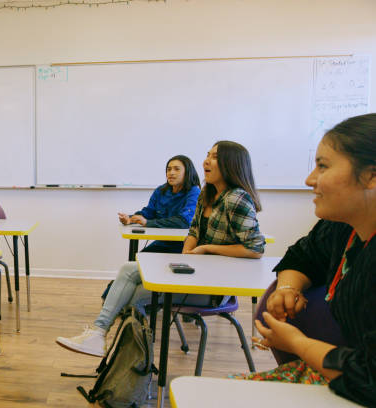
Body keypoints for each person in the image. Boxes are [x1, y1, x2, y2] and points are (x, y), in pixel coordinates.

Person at [56, 141, 265, 357]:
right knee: (130, 269)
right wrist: (189, 253)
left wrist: (206, 249)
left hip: (213, 287)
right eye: (207, 154)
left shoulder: (237, 199)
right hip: (195, 272)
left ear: (231, 164)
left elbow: (255, 248)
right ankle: (99, 335)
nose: (206, 160)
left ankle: (130, 359)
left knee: (134, 295)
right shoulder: (206, 195)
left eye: (214, 157)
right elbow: (193, 231)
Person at [232, 113, 376, 407]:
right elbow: (304, 255)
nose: (310, 179)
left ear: (372, 176)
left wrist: (297, 342)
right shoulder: (343, 227)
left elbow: (369, 377)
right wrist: (287, 288)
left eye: (323, 166)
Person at [118, 155, 200, 253]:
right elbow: (149, 212)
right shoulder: (161, 190)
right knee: (141, 258)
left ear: (187, 173)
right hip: (164, 242)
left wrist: (148, 223)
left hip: (183, 244)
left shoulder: (194, 192)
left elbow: (184, 221)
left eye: (176, 169)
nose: (171, 173)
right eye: (168, 169)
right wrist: (130, 219)